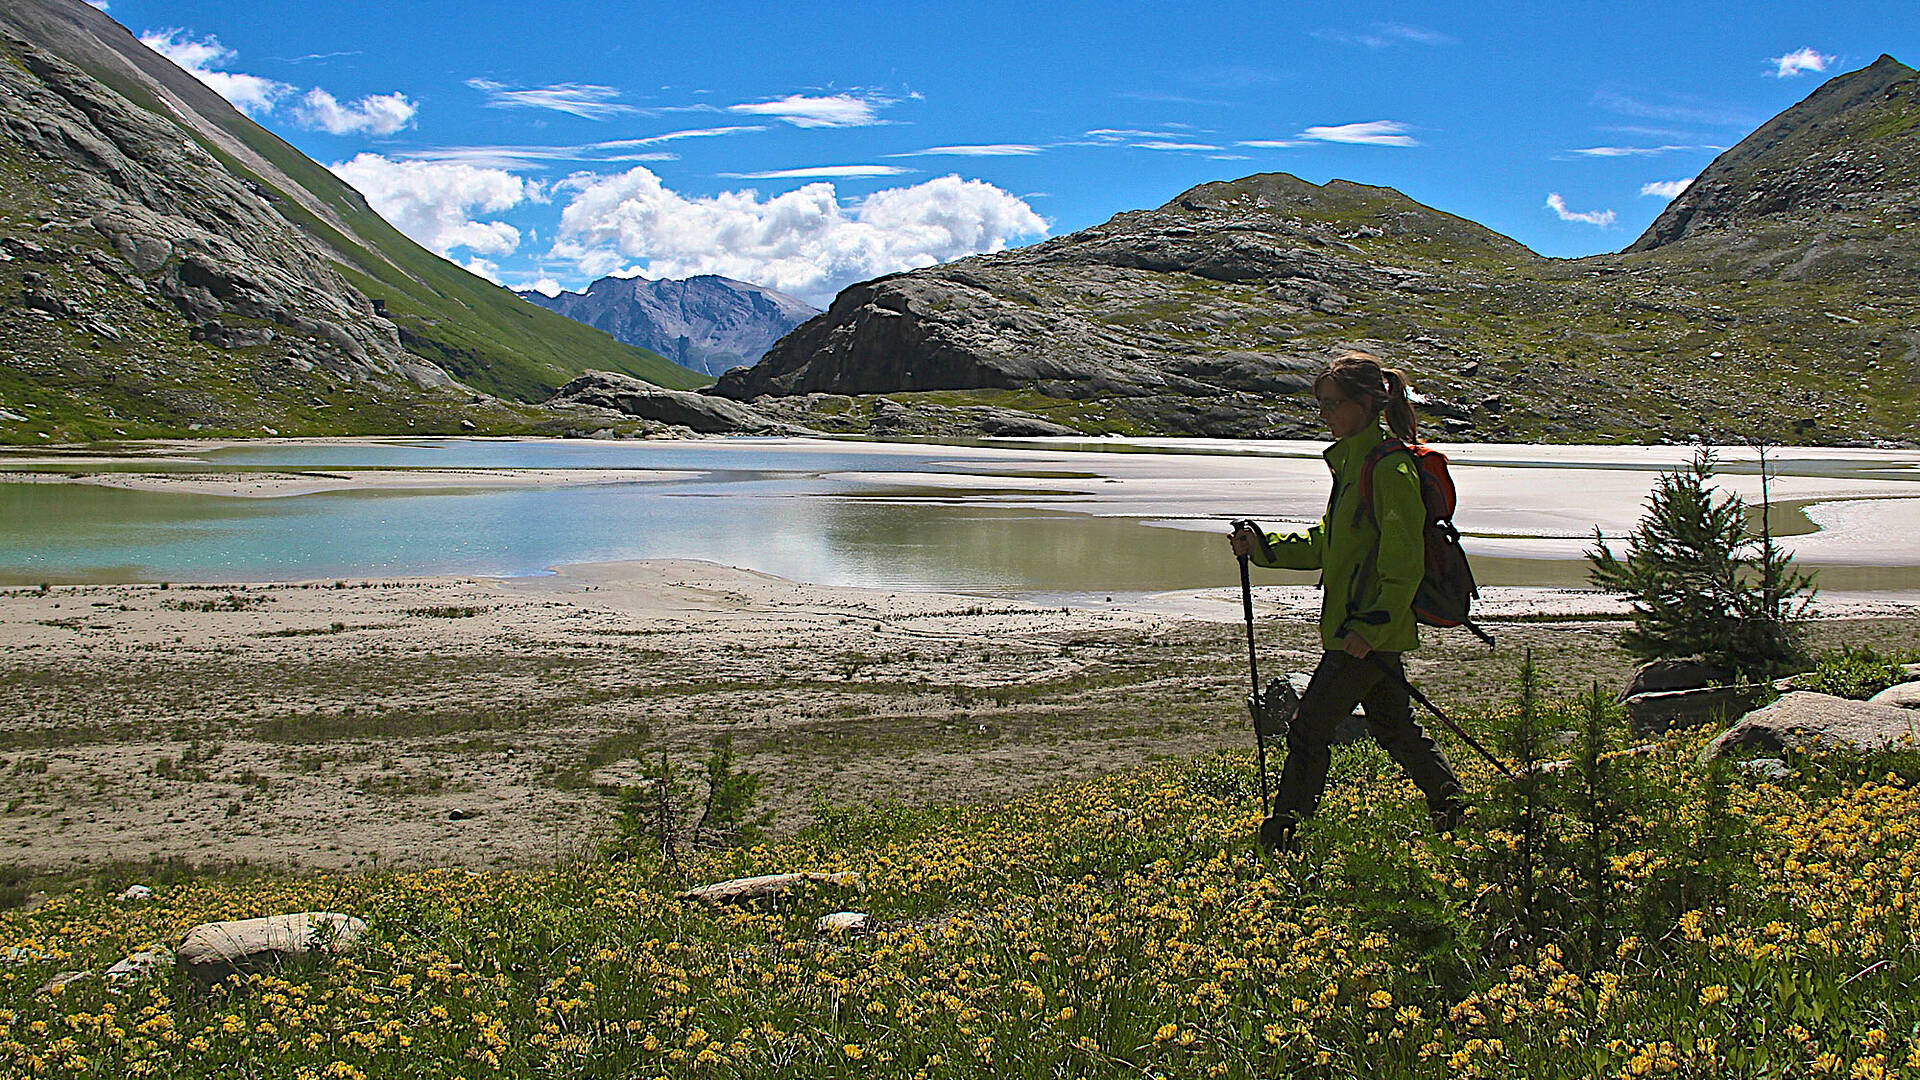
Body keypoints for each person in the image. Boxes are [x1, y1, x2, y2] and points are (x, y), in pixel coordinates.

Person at [1229, 350, 1466, 854]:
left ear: (1364, 405)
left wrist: (1371, 628)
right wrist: (1264, 548)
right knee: (1394, 728)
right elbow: (1330, 542)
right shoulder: (1356, 464)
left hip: (1362, 634)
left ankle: (1285, 835)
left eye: (1331, 405)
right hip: (1362, 631)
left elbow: (1403, 564)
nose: (1324, 416)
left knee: (1309, 727)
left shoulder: (1388, 469)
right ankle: (1455, 809)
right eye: (1321, 405)